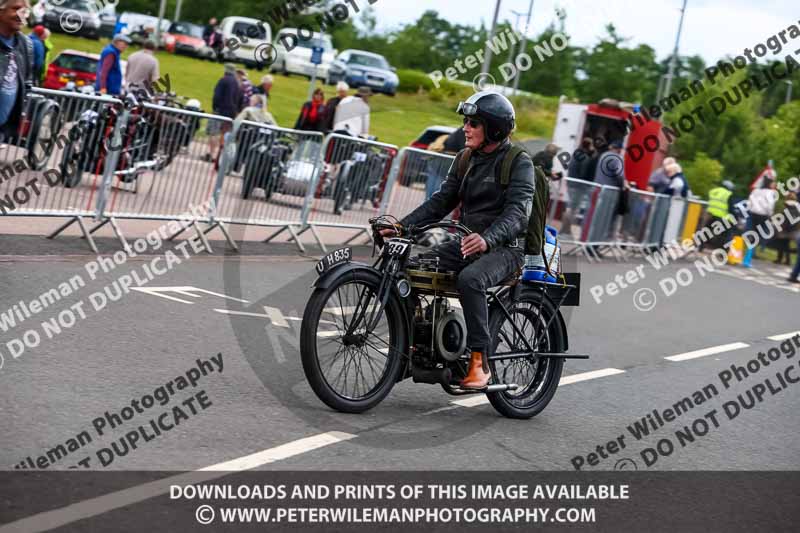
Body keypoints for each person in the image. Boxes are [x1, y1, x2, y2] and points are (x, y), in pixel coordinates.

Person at [380, 91, 535, 389]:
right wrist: (401, 227)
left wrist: (488, 239)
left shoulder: (519, 162)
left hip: (506, 249)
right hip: (466, 242)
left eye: (473, 123)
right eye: (465, 121)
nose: (465, 127)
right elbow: (441, 202)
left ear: (495, 128)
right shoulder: (465, 159)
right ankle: (411, 348)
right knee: (410, 264)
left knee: (471, 279)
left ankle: (480, 361)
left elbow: (519, 215)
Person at [0, 0, 34, 144]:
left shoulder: (24, 44)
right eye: (16, 9)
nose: (21, 14)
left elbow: (26, 82)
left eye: (25, 11)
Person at [206, 63, 243, 162]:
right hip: (230, 113)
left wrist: (215, 107)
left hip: (220, 111)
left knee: (214, 133)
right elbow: (238, 98)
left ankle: (211, 154)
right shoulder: (236, 83)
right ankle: (220, 155)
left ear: (225, 70)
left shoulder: (223, 80)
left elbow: (217, 96)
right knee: (224, 134)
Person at [742, 178, 778, 267]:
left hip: (752, 214)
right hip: (763, 216)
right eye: (773, 183)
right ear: (769, 184)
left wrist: (750, 210)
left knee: (749, 233)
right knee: (759, 236)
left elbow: (749, 202)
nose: (774, 185)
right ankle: (748, 258)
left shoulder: (755, 190)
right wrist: (770, 214)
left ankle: (743, 255)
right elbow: (770, 206)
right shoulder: (770, 193)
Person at [699, 180, 736, 251]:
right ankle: (723, 251)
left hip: (710, 215)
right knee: (726, 234)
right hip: (722, 216)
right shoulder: (728, 194)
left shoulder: (713, 191)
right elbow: (731, 208)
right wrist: (735, 217)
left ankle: (701, 247)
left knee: (707, 231)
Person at [775, 192, 799, 266]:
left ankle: (779, 259)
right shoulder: (798, 206)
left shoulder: (785, 205)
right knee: (787, 244)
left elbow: (781, 216)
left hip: (784, 228)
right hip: (793, 229)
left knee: (781, 243)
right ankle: (788, 260)